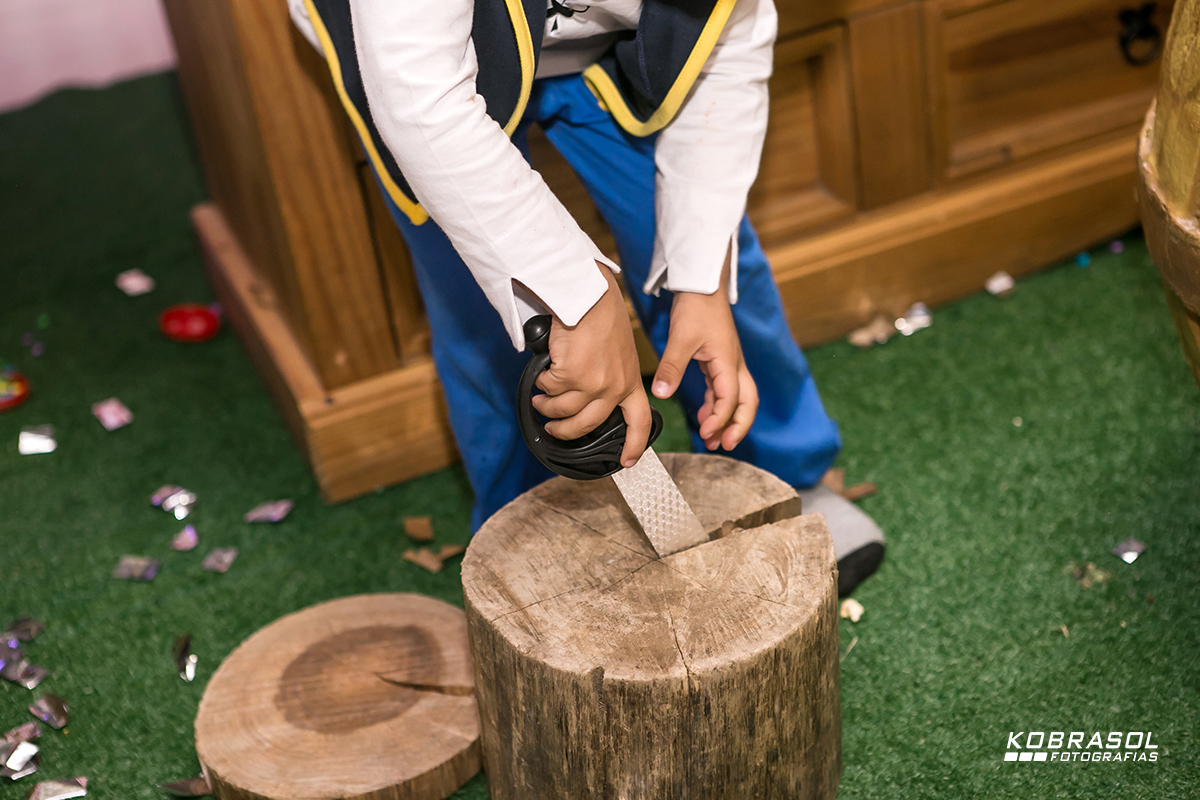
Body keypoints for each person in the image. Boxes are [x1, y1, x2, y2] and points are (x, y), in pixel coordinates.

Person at [288, 0, 884, 594]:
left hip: (608, 44)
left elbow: (729, 40)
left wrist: (700, 281)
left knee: (714, 268)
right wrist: (577, 294)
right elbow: (420, 102)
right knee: (481, 311)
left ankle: (791, 473)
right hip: (425, 75)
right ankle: (520, 529)